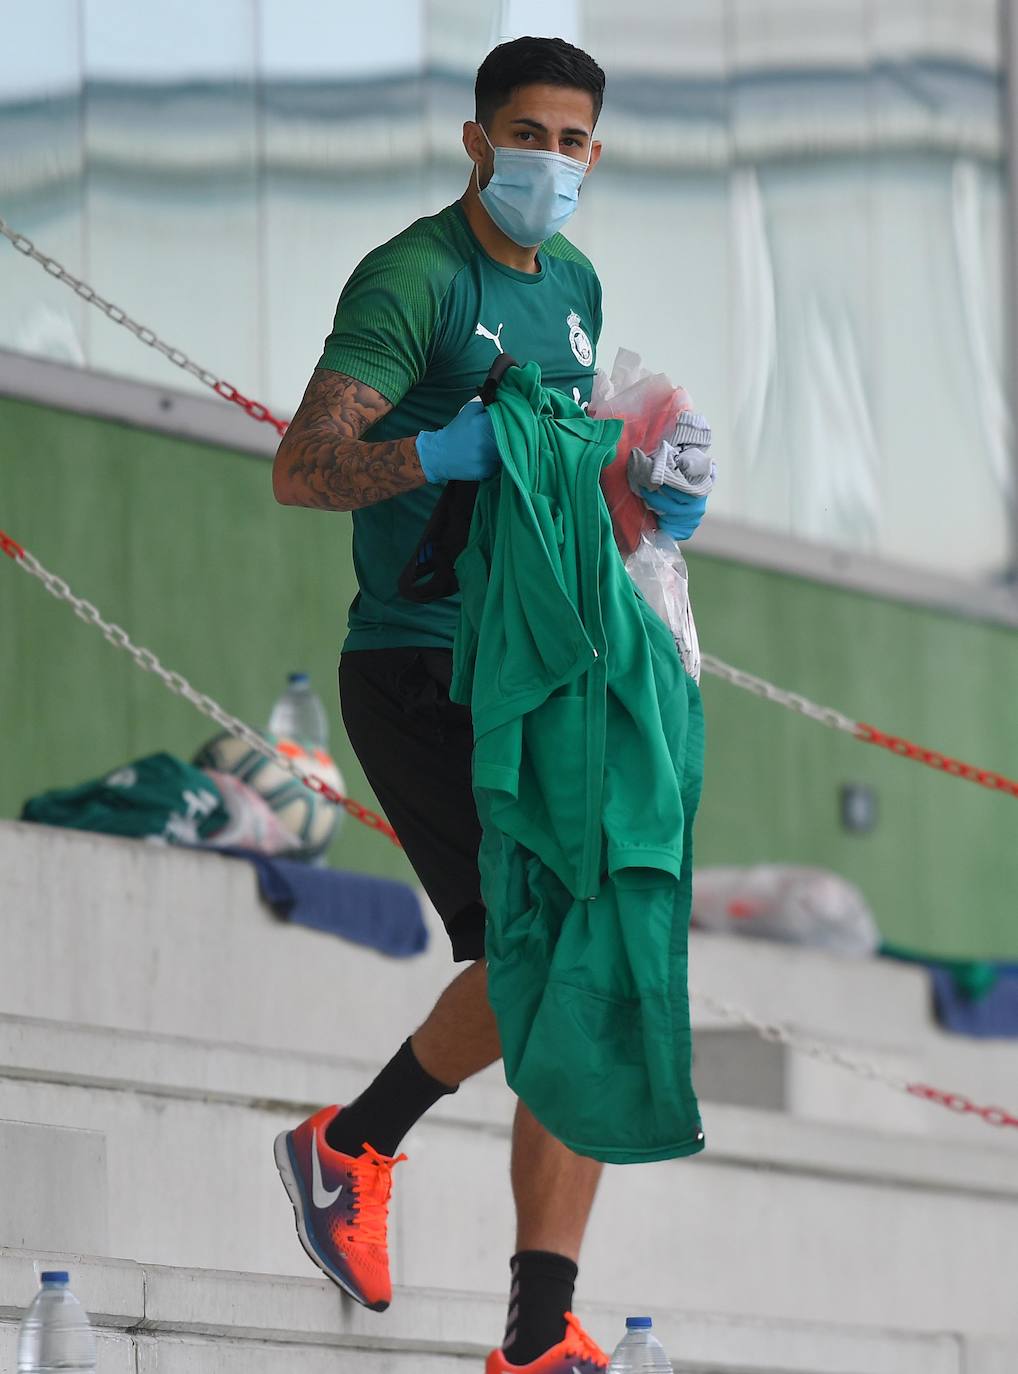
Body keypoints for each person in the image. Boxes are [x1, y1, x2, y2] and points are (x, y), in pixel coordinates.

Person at [270, 35, 710, 1374]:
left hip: (540, 659)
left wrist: (651, 496)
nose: (551, 162)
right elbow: (303, 466)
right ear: (476, 140)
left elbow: (562, 484)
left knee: (596, 949)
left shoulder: (572, 284)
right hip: (417, 660)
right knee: (559, 951)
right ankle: (352, 1144)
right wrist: (435, 448)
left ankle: (530, 1319)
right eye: (528, 134)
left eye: (574, 141)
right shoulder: (415, 276)